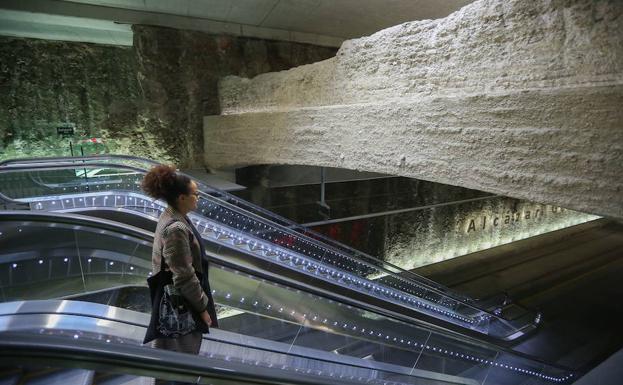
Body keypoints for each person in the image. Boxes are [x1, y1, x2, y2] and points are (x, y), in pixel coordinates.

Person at [141, 164, 218, 357]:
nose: (198, 197)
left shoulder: (173, 216)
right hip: (181, 304)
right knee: (183, 353)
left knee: (178, 351)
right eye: (195, 193)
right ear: (182, 198)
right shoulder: (175, 228)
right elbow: (183, 275)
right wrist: (202, 308)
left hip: (180, 300)